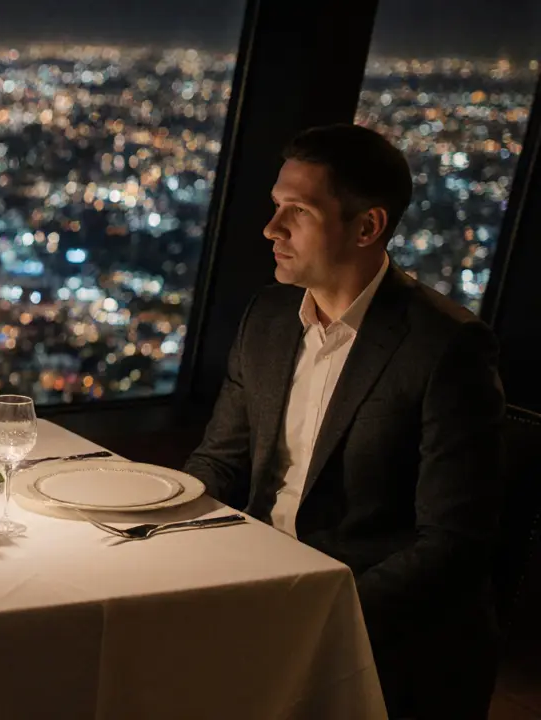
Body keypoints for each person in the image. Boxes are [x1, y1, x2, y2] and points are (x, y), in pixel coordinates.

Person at [184, 124, 505, 718]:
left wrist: (319, 610)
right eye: (276, 207)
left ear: (367, 227)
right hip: (261, 578)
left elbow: (454, 545)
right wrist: (144, 521)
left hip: (371, 617)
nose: (270, 229)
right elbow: (220, 462)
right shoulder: (270, 315)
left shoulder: (446, 347)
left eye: (297, 212)